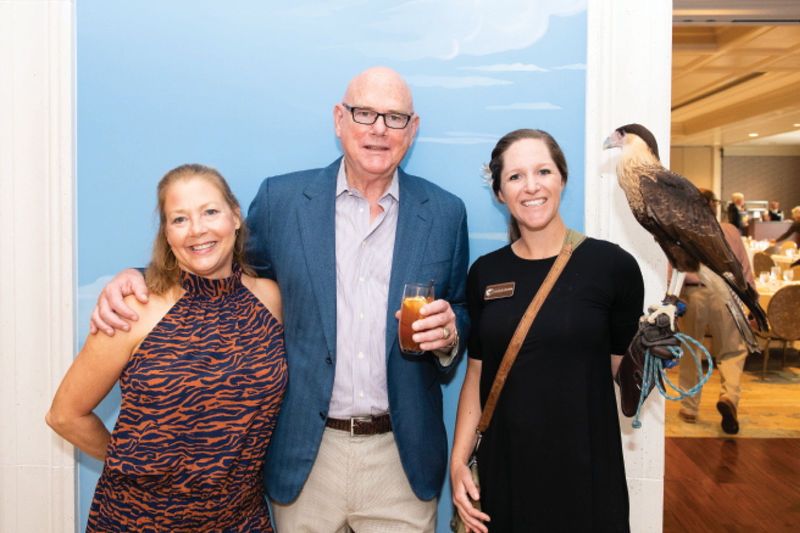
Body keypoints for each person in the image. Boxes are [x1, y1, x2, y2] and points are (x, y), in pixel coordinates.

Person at [88, 67, 469, 532]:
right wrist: (140, 277)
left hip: (402, 460)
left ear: (412, 129)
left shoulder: (446, 213)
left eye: (394, 118)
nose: (377, 129)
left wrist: (451, 333)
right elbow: (223, 266)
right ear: (339, 119)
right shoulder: (283, 200)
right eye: (364, 113)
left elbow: (460, 308)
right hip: (305, 457)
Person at [47, 164, 287, 531]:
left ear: (235, 217)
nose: (197, 229)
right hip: (141, 520)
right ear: (167, 233)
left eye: (210, 212)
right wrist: (136, 469)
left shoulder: (269, 300)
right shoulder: (133, 309)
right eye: (179, 219)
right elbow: (64, 415)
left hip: (241, 521)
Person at [450, 129, 644, 533]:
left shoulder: (613, 267)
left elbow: (626, 379)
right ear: (500, 193)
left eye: (543, 171)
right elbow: (476, 374)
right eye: (515, 176)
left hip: (588, 475)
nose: (531, 186)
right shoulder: (485, 272)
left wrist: (651, 357)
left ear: (562, 179)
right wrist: (458, 464)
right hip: (505, 475)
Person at [676, 189, 755, 435]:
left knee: (692, 349)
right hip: (727, 296)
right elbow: (743, 266)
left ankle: (690, 407)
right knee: (732, 350)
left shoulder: (680, 230)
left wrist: (671, 301)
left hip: (694, 294)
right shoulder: (730, 230)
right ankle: (729, 397)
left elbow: (674, 266)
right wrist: (752, 302)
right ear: (712, 205)